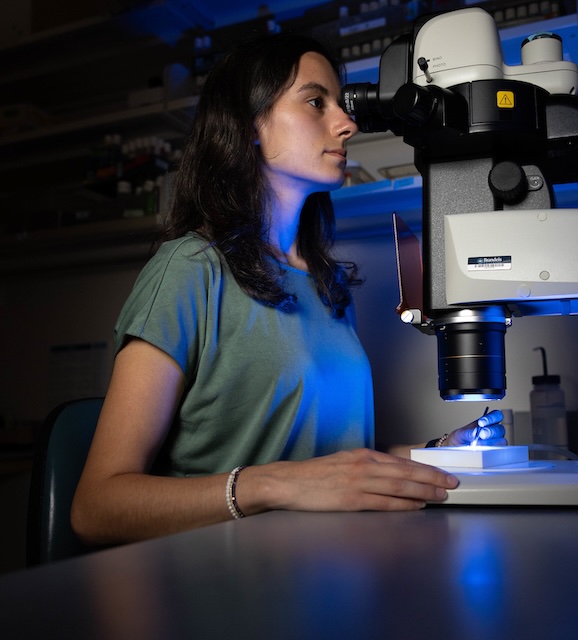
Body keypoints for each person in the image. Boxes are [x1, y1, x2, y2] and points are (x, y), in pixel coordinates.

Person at [70, 32, 505, 547]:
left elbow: (324, 470)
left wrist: (439, 452)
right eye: (316, 102)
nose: (346, 123)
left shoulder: (328, 285)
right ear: (248, 124)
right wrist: (268, 485)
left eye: (341, 106)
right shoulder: (189, 271)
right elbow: (97, 507)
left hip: (330, 571)